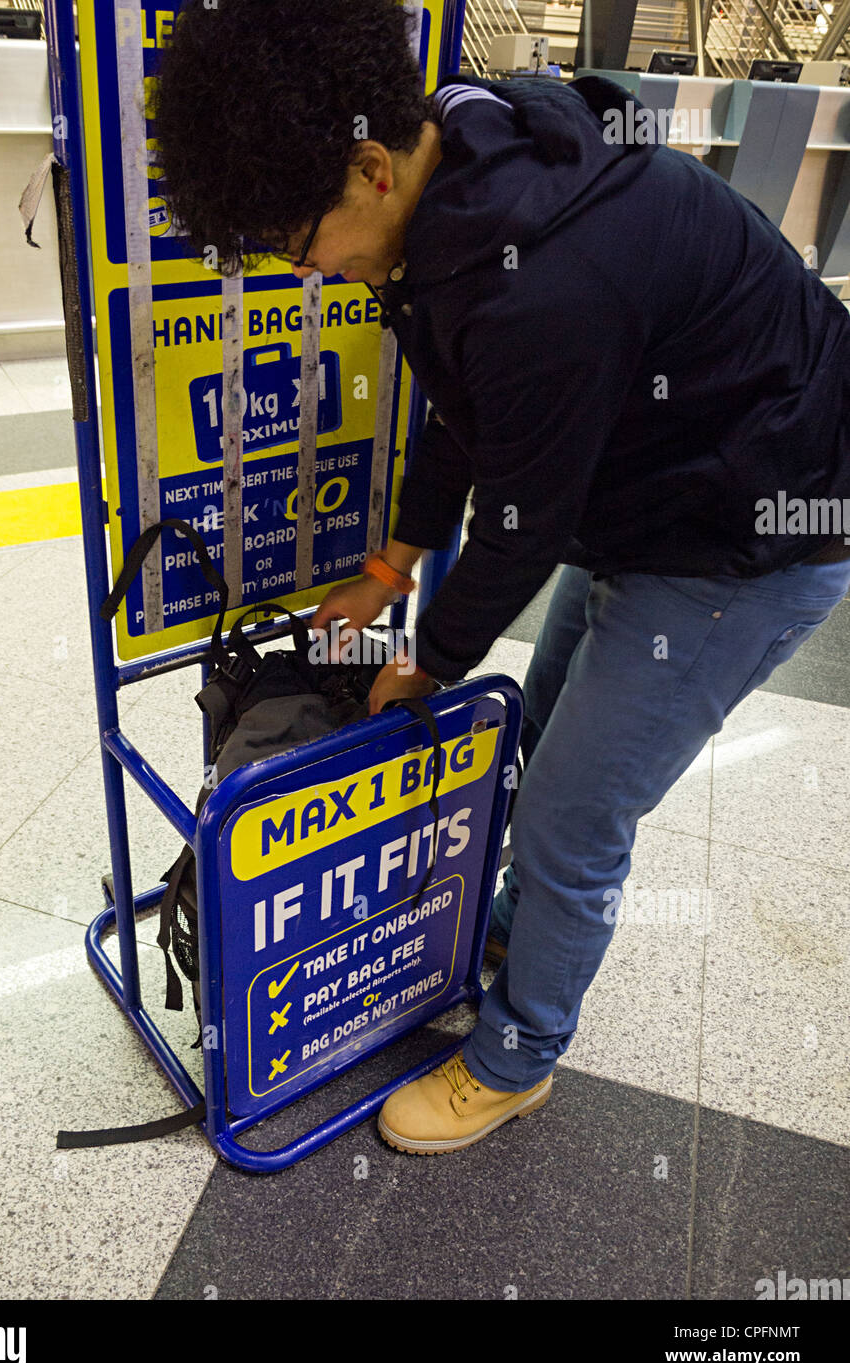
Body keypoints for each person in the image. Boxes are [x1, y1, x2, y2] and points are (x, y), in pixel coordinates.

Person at [155, 0, 850, 1155]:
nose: (308, 272)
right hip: (660, 490)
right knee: (536, 730)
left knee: (579, 809)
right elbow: (469, 403)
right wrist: (392, 564)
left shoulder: (542, 278)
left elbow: (523, 524)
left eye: (299, 243)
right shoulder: (472, 158)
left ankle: (518, 1055)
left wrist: (429, 661)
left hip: (750, 538)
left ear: (370, 169)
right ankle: (512, 931)